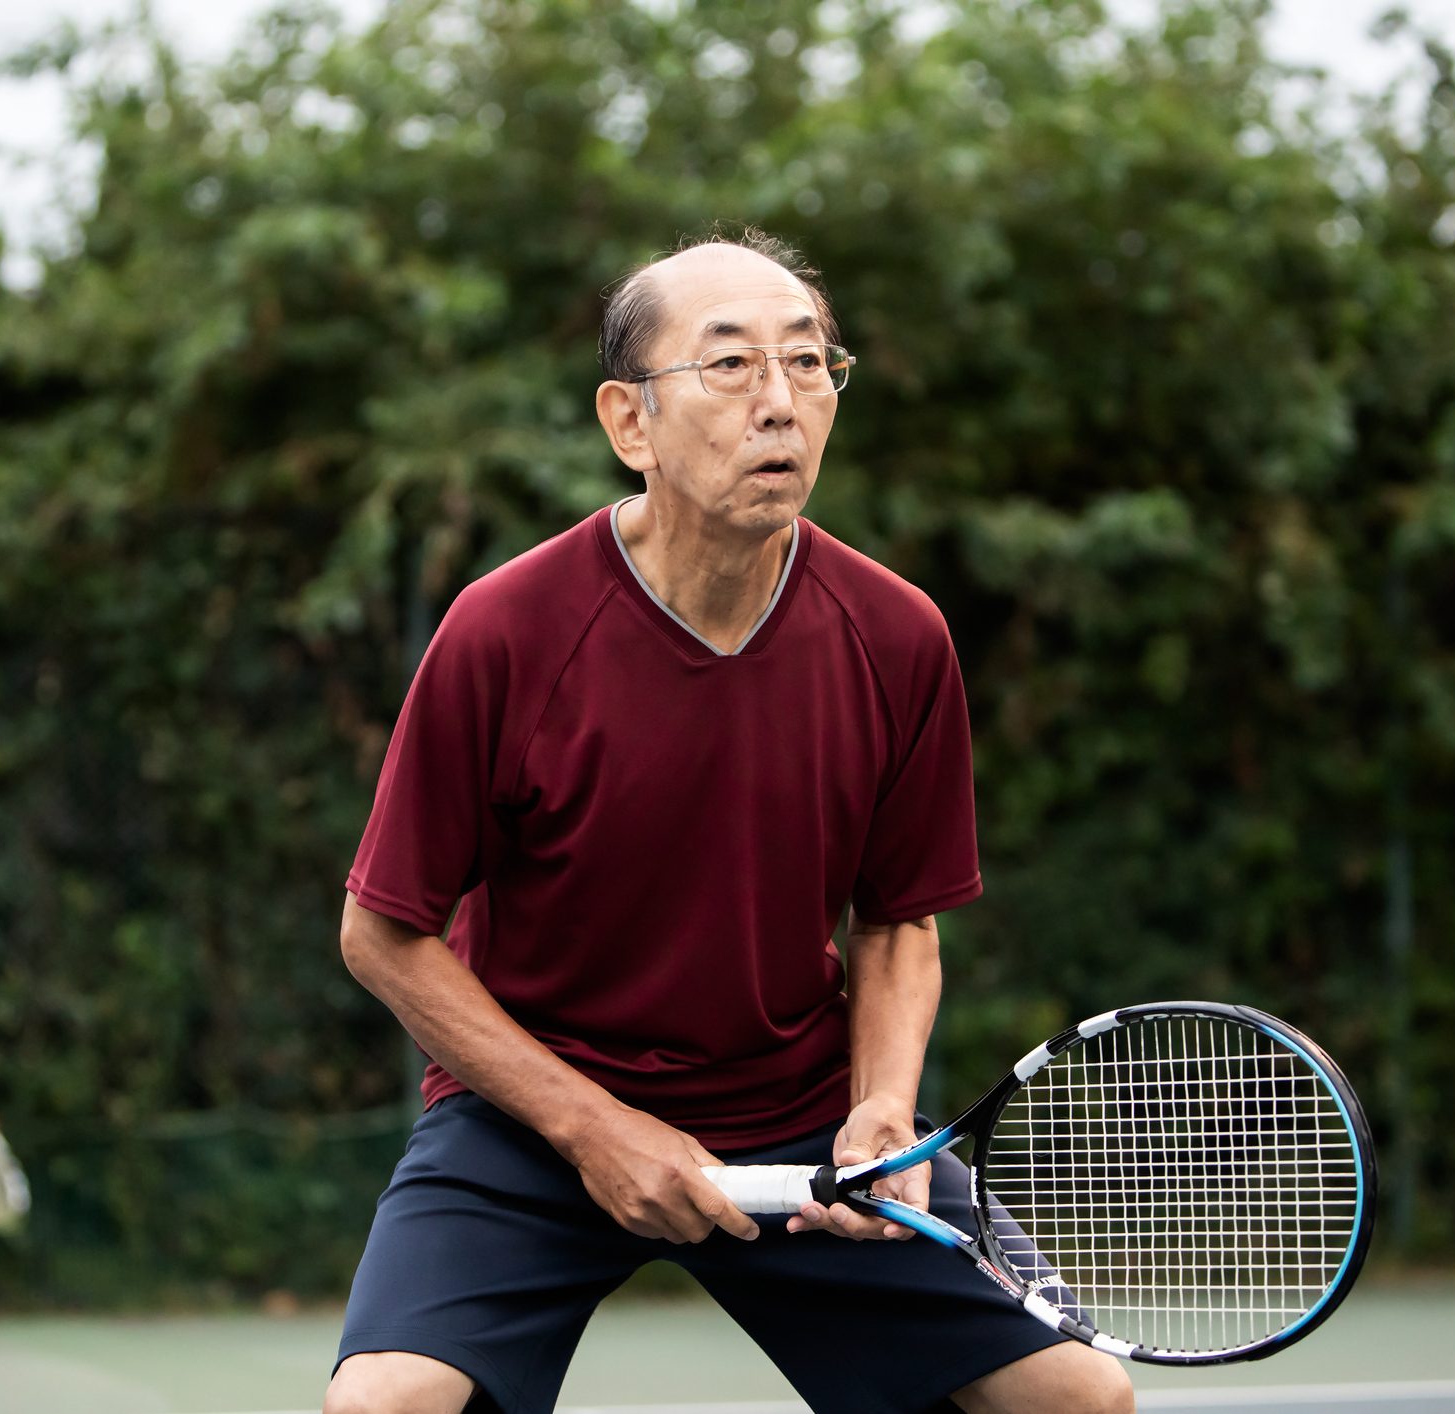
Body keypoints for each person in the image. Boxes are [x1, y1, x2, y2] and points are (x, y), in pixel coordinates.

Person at [324, 233, 1135, 1414]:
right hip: (534, 1114)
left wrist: (881, 1106)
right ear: (628, 422)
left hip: (797, 1114)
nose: (781, 403)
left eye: (810, 365)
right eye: (731, 366)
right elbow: (381, 934)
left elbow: (899, 924)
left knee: (1078, 1397)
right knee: (384, 1405)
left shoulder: (899, 638)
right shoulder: (503, 632)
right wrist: (595, 1129)